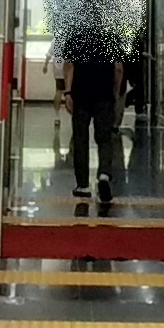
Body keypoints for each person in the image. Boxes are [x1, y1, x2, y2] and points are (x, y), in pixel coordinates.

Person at [54, 25, 124, 202]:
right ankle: (104, 175)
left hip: (81, 95)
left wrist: (68, 92)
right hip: (104, 95)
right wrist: (115, 93)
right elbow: (118, 68)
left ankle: (83, 185)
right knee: (105, 138)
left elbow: (69, 66)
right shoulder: (111, 37)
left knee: (80, 139)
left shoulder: (76, 36)